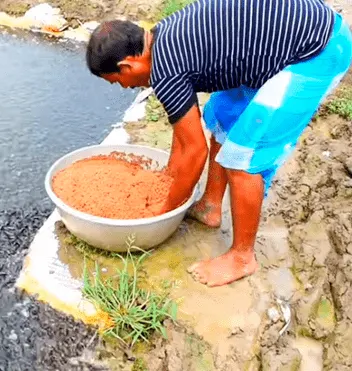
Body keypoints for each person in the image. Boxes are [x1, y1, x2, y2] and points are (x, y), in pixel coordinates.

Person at [85, 0, 352, 287]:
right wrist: (169, 181)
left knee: (244, 159)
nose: (126, 88)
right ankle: (210, 206)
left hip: (317, 52)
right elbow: (184, 135)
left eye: (117, 81)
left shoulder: (166, 70)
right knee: (222, 119)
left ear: (128, 64)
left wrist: (160, 216)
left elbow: (194, 151)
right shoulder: (162, 40)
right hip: (275, 49)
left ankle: (242, 258)